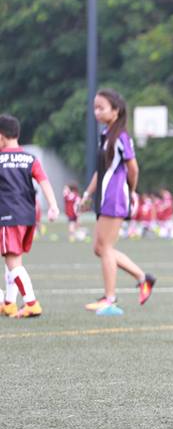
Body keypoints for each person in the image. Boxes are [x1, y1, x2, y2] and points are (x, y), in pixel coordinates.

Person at [78, 89, 156, 311]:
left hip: (114, 196)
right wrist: (87, 194)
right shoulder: (106, 135)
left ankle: (110, 298)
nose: (96, 111)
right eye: (95, 107)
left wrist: (131, 191)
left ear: (116, 110)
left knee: (105, 247)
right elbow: (100, 171)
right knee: (100, 248)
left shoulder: (121, 136)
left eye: (101, 107)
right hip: (104, 196)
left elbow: (133, 168)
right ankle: (143, 278)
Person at [0, 114, 59, 318]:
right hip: (27, 216)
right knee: (14, 259)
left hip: (8, 216)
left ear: (1, 137)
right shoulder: (30, 158)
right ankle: (8, 303)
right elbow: (44, 181)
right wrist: (53, 205)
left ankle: (31, 303)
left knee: (12, 262)